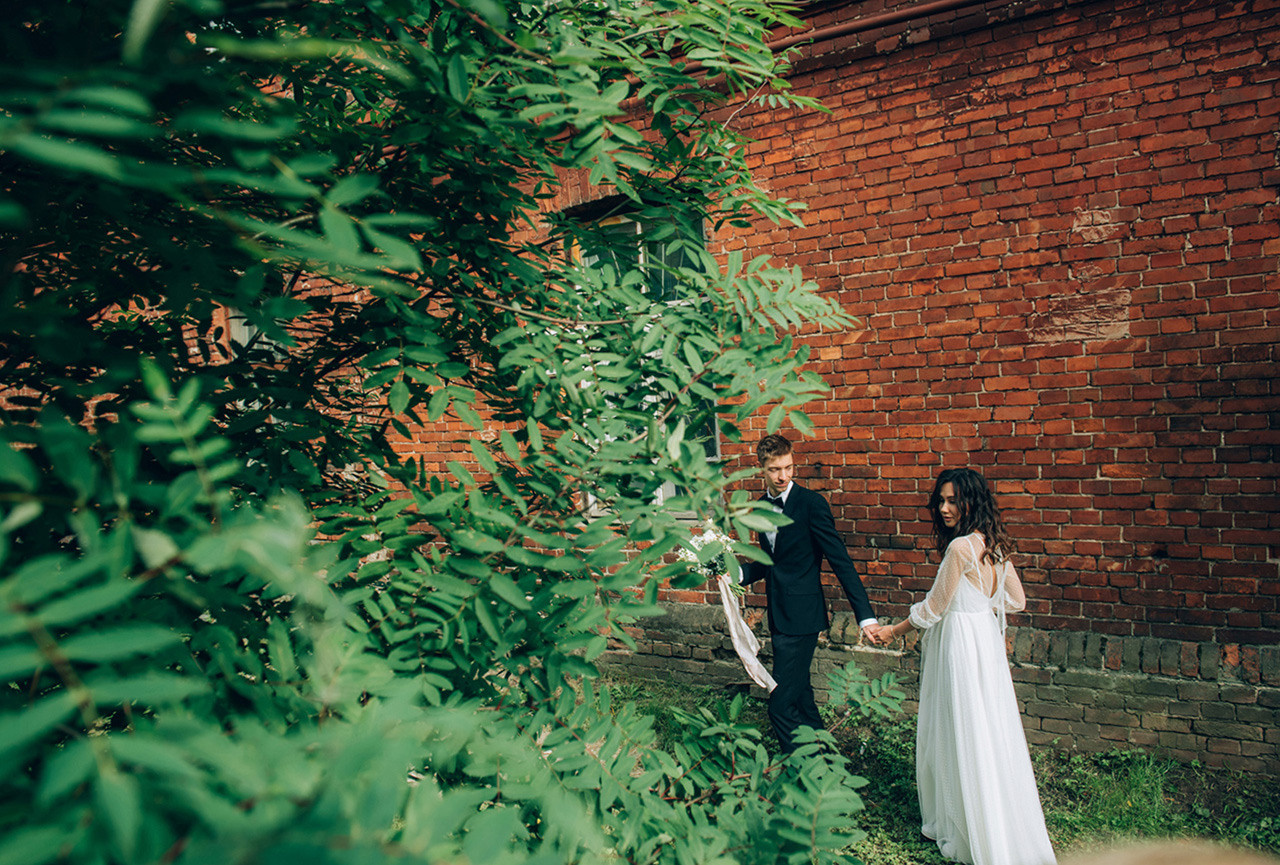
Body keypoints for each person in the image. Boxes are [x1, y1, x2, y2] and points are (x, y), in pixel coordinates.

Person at [882, 467, 1056, 865]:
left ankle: (970, 827)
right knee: (986, 728)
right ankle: (990, 816)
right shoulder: (995, 545)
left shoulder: (961, 548)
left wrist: (894, 630)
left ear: (970, 502)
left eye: (953, 500)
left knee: (959, 727)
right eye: (940, 500)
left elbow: (933, 608)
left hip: (960, 643)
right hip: (985, 644)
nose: (944, 508)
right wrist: (980, 607)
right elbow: (1015, 601)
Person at [743, 433, 884, 754]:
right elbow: (770, 564)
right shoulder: (760, 507)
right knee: (801, 696)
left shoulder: (811, 505)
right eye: (775, 469)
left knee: (780, 704)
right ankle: (828, 762)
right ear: (761, 468)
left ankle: (802, 775)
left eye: (789, 468)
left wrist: (865, 617)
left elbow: (841, 562)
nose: (783, 476)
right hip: (778, 617)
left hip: (804, 619)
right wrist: (734, 572)